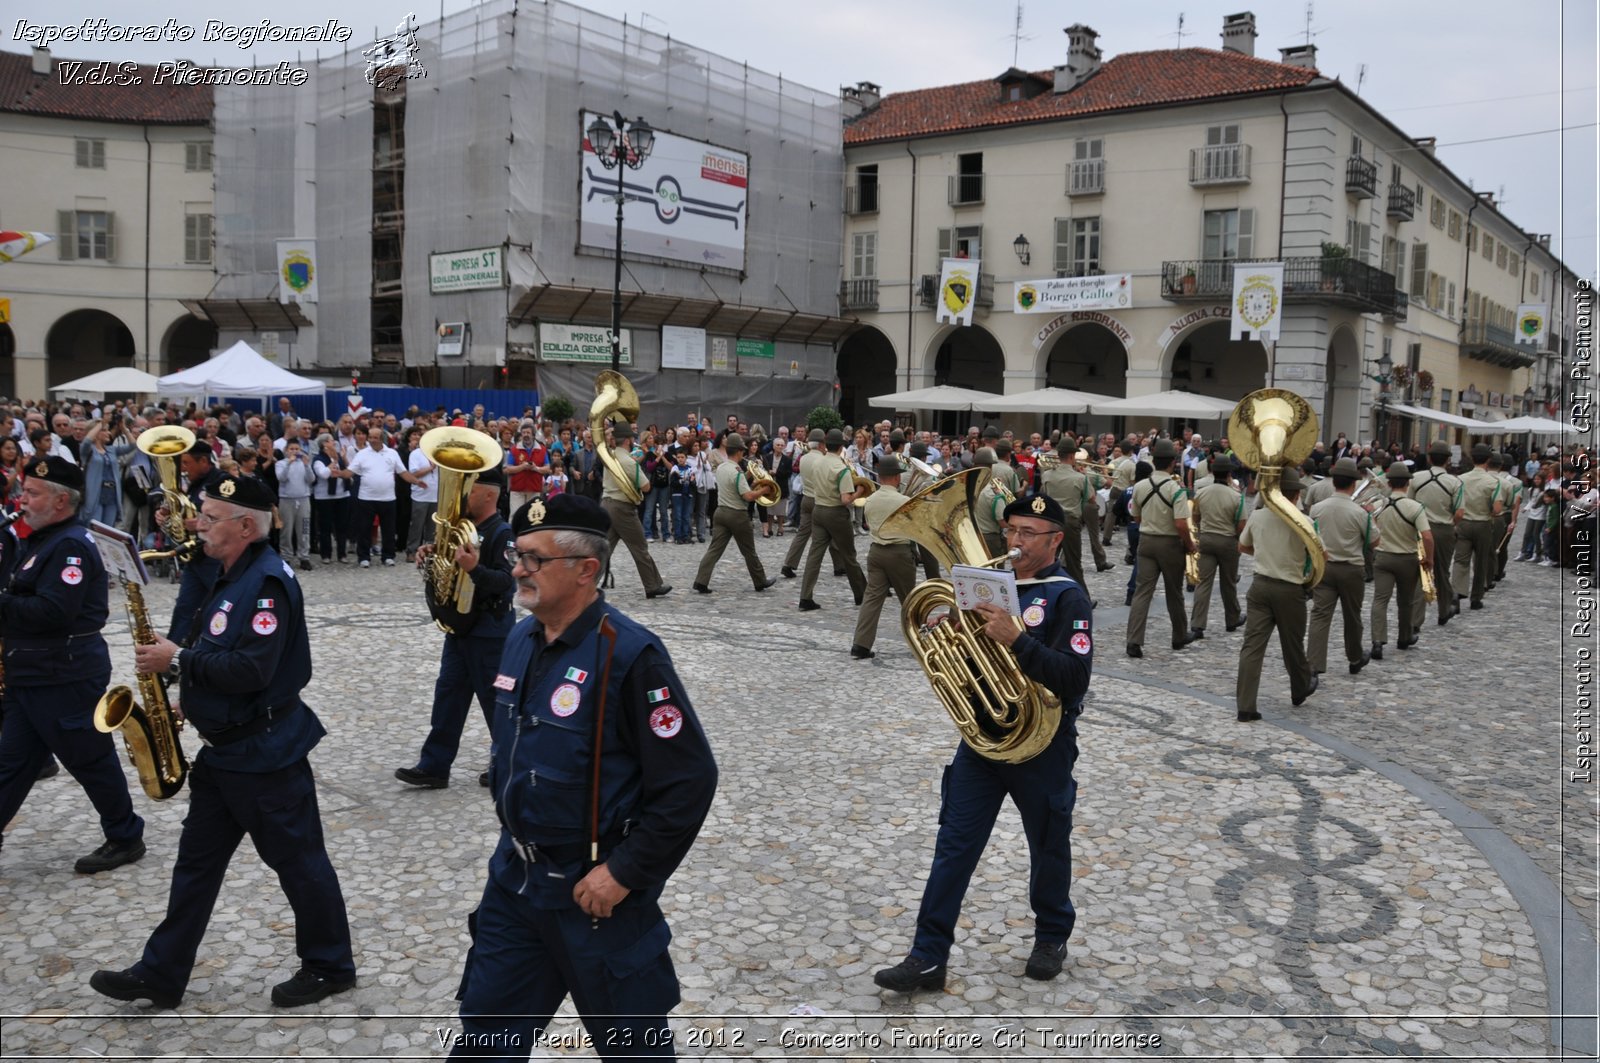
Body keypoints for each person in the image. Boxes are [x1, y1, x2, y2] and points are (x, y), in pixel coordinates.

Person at [450, 493, 716, 1058]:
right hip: (516, 886)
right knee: (483, 1044)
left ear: (586, 570)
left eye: (533, 559)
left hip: (594, 898)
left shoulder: (632, 655)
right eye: (517, 556)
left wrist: (624, 872)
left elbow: (688, 780)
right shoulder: (520, 638)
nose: (516, 569)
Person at [90, 473, 355, 1009]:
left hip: (265, 756)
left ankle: (331, 966)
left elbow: (253, 669)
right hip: (226, 751)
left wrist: (178, 660)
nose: (199, 525)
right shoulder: (228, 573)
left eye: (210, 518)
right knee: (195, 866)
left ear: (243, 526)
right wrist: (195, 700)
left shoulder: (267, 584)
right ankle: (161, 974)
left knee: (300, 863)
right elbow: (221, 651)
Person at [874, 493, 1092, 991]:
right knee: (954, 843)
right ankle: (927, 955)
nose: (1015, 542)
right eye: (1011, 530)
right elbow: (974, 663)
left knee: (1048, 843)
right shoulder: (989, 587)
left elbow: (1075, 678)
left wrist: (1017, 640)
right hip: (984, 739)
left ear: (1055, 539)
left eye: (1028, 533)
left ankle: (1052, 935)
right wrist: (949, 630)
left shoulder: (1066, 597)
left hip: (1043, 745)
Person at [0, 456, 146, 873]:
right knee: (11, 763)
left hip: (63, 674)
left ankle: (125, 835)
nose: (21, 499)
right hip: (32, 673)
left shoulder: (71, 545)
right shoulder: (41, 539)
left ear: (61, 500)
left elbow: (53, 612)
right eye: (23, 491)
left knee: (90, 759)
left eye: (31, 493)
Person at [396, 468, 517, 789]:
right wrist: (433, 553)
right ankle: (434, 766)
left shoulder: (502, 533)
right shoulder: (463, 527)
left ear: (490, 493)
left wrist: (474, 568)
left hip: (490, 632)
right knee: (447, 696)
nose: (465, 493)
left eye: (472, 488)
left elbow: (507, 581)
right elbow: (451, 560)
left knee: (496, 703)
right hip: (460, 626)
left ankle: (507, 765)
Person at [1235, 467, 1320, 721]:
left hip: (1260, 585)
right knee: (1292, 644)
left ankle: (1245, 706)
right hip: (1290, 588)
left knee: (1252, 646)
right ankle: (1299, 688)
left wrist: (1264, 554)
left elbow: (1243, 545)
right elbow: (1321, 556)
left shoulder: (1258, 516)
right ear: (1294, 495)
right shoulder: (1305, 521)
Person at [1125, 439, 1197, 657]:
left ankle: (1133, 641)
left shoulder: (1139, 486)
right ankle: (1179, 635)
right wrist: (1190, 545)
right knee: (1174, 592)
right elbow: (1181, 524)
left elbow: (1135, 516)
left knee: (1142, 593)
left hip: (1146, 541)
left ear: (1154, 461)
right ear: (1172, 463)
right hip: (1169, 543)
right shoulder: (1176, 489)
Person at [1307, 457, 1376, 676]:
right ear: (1353, 484)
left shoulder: (1317, 508)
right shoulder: (1360, 512)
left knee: (1320, 614)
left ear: (1334, 481)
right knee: (1352, 615)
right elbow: (1374, 541)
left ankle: (1314, 663)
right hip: (1351, 569)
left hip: (1324, 567)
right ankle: (1355, 657)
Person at [691, 434, 777, 595]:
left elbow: (733, 483)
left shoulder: (723, 467)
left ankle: (700, 581)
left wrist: (748, 476)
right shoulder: (736, 471)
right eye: (742, 451)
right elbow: (748, 496)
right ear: (738, 452)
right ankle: (760, 581)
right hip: (737, 515)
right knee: (749, 551)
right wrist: (765, 490)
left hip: (720, 512)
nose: (744, 454)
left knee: (714, 550)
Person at [849, 455, 915, 660]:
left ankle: (860, 644)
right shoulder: (904, 500)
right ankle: (920, 642)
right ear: (896, 477)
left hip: (876, 551)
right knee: (910, 601)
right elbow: (912, 528)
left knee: (872, 598)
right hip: (899, 552)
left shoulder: (869, 500)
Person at [1369, 462, 1433, 661]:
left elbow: (1370, 530)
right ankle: (1404, 637)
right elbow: (1427, 536)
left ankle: (1377, 641)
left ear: (1389, 483)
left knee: (1380, 599)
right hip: (1407, 559)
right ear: (1407, 484)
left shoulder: (1379, 505)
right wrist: (1429, 559)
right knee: (1405, 601)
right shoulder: (1415, 507)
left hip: (1383, 557)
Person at [599, 422, 671, 599]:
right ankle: (652, 585)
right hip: (623, 508)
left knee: (603, 548)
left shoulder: (610, 456)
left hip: (606, 504)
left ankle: (584, 585)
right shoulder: (629, 461)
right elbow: (646, 487)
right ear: (629, 440)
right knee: (640, 547)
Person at [797, 429, 866, 612]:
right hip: (836, 513)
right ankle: (860, 595)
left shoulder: (817, 463)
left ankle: (805, 597)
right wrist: (858, 492)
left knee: (814, 556)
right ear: (842, 447)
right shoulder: (841, 469)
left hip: (818, 510)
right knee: (849, 555)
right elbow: (845, 500)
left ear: (826, 445)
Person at [1187, 455, 1247, 638]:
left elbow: (1195, 517)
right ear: (1229, 473)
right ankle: (1232, 618)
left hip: (1206, 539)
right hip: (1228, 540)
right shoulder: (1236, 496)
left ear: (1212, 472)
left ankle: (1198, 624)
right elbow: (1242, 525)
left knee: (1203, 582)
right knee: (1228, 583)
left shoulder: (1202, 493)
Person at [1408, 441, 1462, 628]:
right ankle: (1444, 610)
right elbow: (1460, 512)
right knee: (1442, 571)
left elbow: (1409, 504)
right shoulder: (1455, 482)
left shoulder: (1416, 478)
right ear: (1448, 460)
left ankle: (1415, 620)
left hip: (1420, 528)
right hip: (1444, 528)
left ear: (1429, 458)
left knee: (1421, 572)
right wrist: (1450, 524)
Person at [1449, 444, 1503, 612]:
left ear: (1472, 459)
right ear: (1488, 460)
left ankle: (1457, 592)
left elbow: (1454, 504)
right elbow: (1497, 509)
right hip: (1483, 523)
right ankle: (1476, 598)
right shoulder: (1493, 481)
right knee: (1480, 561)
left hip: (1463, 522)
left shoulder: (1460, 479)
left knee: (1460, 560)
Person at [348, 425, 407, 568]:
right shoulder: (362, 454)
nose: (372, 440)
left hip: (388, 498)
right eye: (371, 437)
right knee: (364, 528)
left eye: (375, 437)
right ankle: (363, 557)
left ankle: (388, 556)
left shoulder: (392, 453)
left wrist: (416, 480)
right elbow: (350, 471)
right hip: (366, 497)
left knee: (389, 529)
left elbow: (402, 472)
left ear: (382, 439)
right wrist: (338, 473)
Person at [274, 439, 316, 572]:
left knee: (304, 528)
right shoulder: (281, 463)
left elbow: (311, 479)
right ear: (286, 450)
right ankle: (286, 556)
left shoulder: (304, 464)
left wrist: (307, 465)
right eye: (291, 449)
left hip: (303, 499)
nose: (294, 451)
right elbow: (281, 478)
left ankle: (304, 557)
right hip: (287, 500)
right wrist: (289, 463)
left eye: (297, 449)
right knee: (286, 530)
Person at [312, 433, 353, 564]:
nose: (334, 442)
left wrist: (343, 458)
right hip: (324, 497)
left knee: (342, 526)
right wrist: (334, 461)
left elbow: (347, 470)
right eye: (331, 441)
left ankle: (342, 554)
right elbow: (323, 474)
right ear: (324, 444)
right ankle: (326, 554)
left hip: (342, 495)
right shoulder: (318, 459)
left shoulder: (339, 456)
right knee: (325, 527)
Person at [403, 428, 439, 562]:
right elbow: (413, 474)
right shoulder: (416, 454)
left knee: (432, 527)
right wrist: (430, 468)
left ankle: (428, 551)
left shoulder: (439, 454)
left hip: (436, 495)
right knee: (417, 525)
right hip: (421, 495)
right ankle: (411, 551)